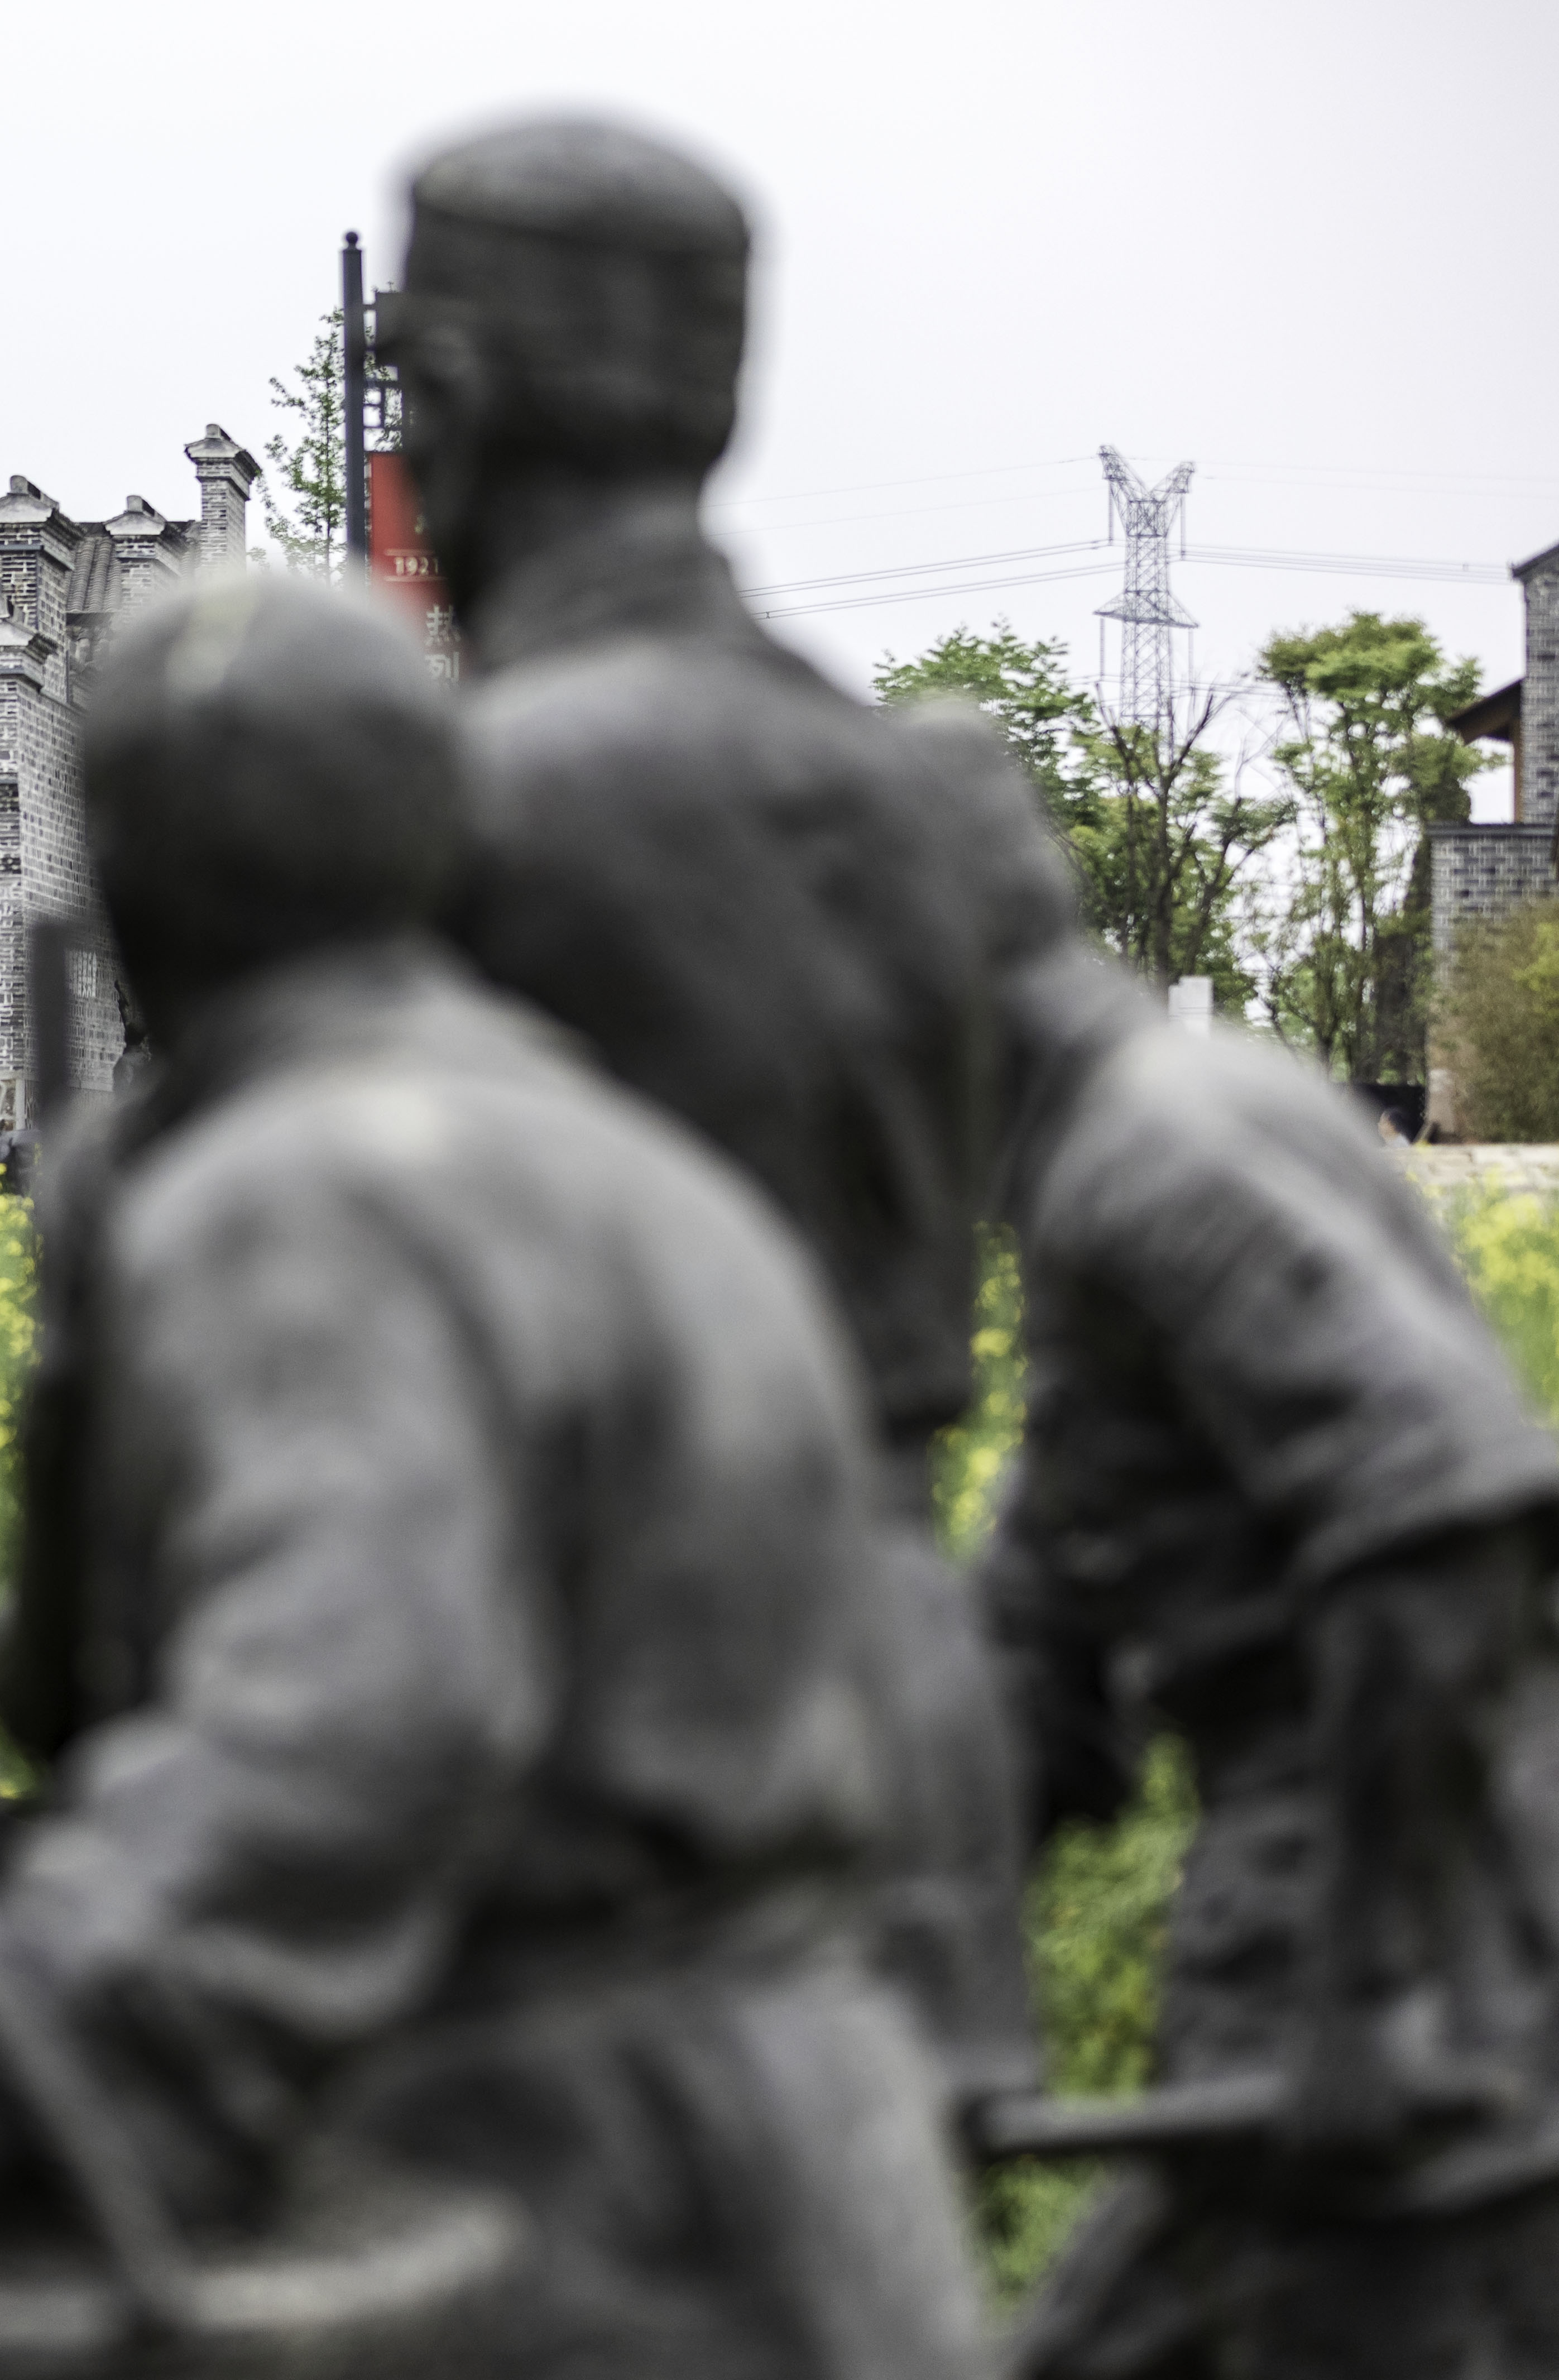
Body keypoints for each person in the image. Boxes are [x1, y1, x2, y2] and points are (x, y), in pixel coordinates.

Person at [0, 577, 987, 2380]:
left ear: (125, 881)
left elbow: (342, 1733)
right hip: (803, 2154)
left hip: (581, 2208)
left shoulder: (307, 1204)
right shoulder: (634, 1163)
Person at [386, 114, 1041, 2110]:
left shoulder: (476, 801)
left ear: (451, 397)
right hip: (904, 1731)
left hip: (616, 1810)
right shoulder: (902, 790)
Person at [905, 713, 1559, 2380]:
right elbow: (1044, 1624)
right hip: (1349, 1923)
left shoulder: (1157, 1152)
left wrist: (1366, 1982)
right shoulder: (1102, 1161)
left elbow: (1437, 1527)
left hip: (1393, 1918)